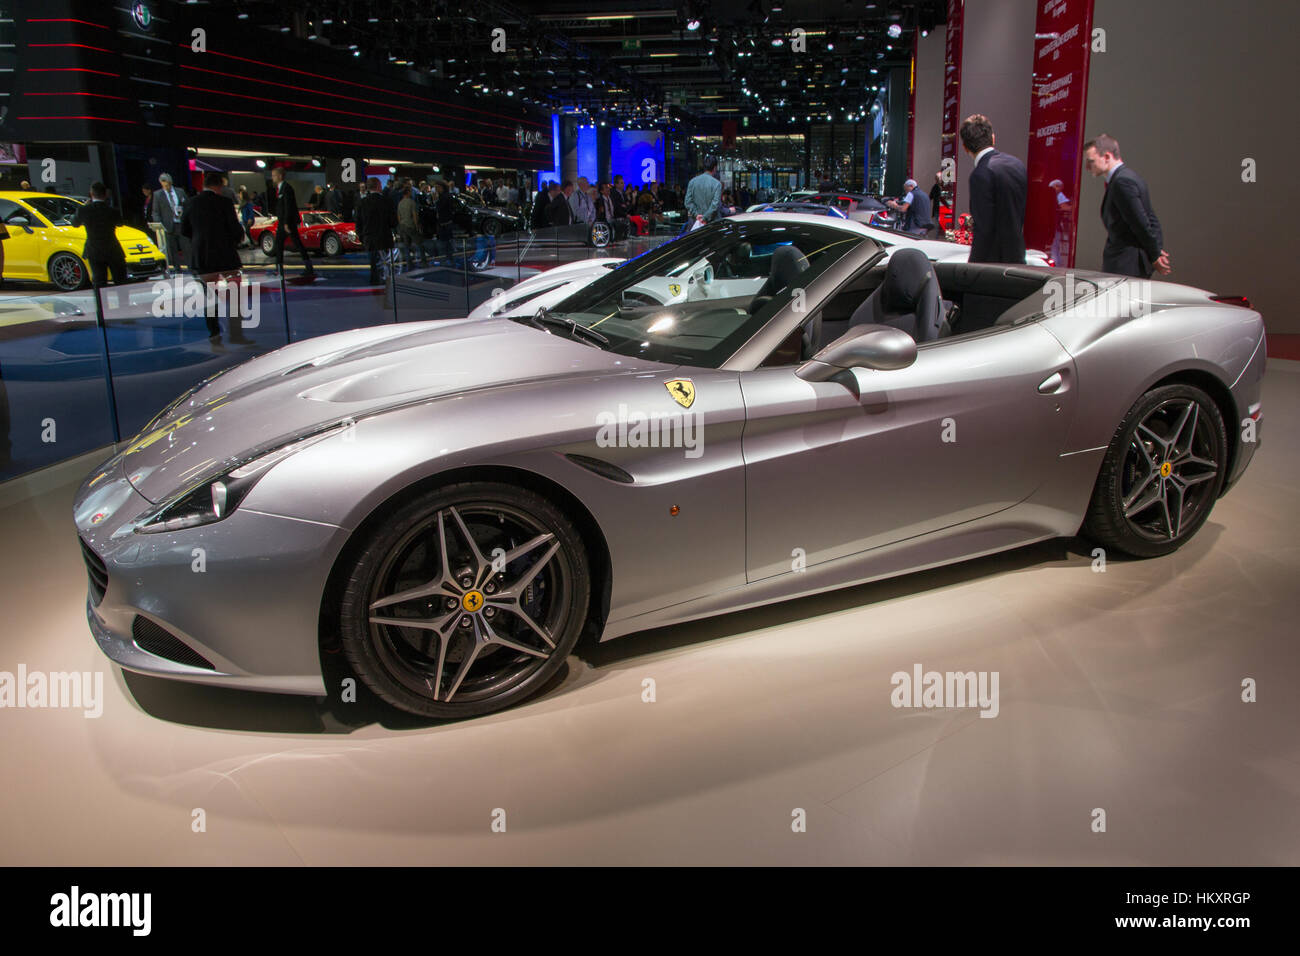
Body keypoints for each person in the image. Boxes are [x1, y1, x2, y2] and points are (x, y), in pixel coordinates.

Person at [1084, 134, 1169, 277]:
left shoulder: (1122, 182)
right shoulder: (1128, 177)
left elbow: (1141, 222)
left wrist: (1155, 254)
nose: (1087, 167)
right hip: (1128, 262)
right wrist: (1156, 250)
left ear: (1107, 157)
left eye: (1090, 161)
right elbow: (1150, 218)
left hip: (1126, 265)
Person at [182, 170, 251, 347]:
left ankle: (215, 335)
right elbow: (235, 229)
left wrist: (199, 240)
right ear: (219, 186)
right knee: (235, 296)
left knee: (208, 298)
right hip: (226, 256)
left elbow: (184, 229)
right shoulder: (225, 203)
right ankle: (237, 334)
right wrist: (234, 241)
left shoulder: (191, 203)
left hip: (203, 257)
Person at [960, 114, 1027, 263]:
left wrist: (972, 268)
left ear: (965, 147)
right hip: (1018, 259)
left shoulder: (980, 174)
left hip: (992, 266)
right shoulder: (1017, 165)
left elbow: (983, 229)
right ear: (993, 138)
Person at [69, 182, 127, 289]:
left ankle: (101, 305)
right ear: (105, 195)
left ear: (91, 194)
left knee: (99, 282)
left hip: (94, 250)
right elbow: (120, 223)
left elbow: (74, 223)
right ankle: (123, 305)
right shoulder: (113, 211)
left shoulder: (84, 210)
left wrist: (83, 207)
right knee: (120, 281)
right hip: (113, 249)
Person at [268, 166, 315, 280]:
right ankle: (279, 270)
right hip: (283, 222)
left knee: (297, 244)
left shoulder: (286, 188)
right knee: (279, 245)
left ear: (280, 176)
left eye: (274, 175)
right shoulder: (280, 189)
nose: (272, 178)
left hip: (287, 223)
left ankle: (309, 268)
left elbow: (288, 206)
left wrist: (286, 223)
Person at [356, 176, 396, 284]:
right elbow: (393, 222)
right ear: (379, 186)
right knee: (386, 267)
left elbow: (358, 223)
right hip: (384, 238)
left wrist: (362, 238)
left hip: (369, 239)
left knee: (373, 266)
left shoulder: (362, 202)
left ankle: (374, 287)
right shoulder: (387, 201)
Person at [151, 172, 187, 275]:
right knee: (172, 248)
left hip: (181, 223)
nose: (166, 187)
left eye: (168, 185)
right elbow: (155, 211)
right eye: (164, 185)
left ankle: (190, 265)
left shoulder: (180, 191)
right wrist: (159, 224)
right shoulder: (158, 194)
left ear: (171, 183)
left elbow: (187, 204)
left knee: (186, 246)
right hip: (168, 225)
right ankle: (177, 267)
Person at [685, 157, 722, 227]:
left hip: (695, 222)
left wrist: (696, 214)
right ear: (715, 168)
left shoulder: (692, 182)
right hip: (712, 224)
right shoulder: (717, 184)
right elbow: (715, 206)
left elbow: (688, 202)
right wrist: (704, 218)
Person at [396, 185, 426, 269]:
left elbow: (398, 216)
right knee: (420, 244)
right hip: (411, 225)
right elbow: (415, 216)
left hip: (403, 226)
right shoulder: (411, 202)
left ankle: (409, 263)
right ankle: (423, 262)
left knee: (406, 246)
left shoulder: (400, 203)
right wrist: (417, 226)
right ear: (408, 192)